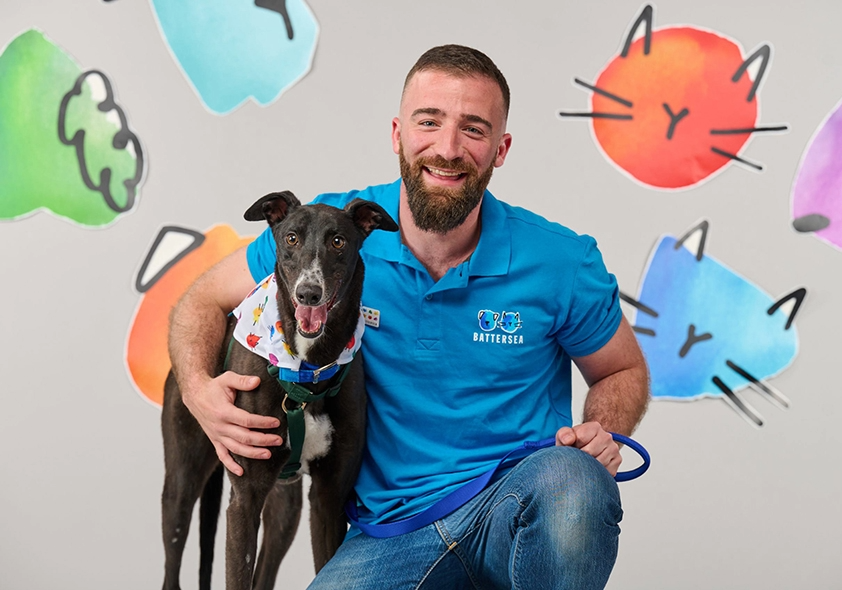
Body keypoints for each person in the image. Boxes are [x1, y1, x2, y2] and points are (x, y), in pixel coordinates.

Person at [169, 44, 649, 589]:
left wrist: (600, 433)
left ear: (501, 147)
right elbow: (201, 301)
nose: (447, 148)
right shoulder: (331, 234)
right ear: (398, 134)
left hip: (514, 507)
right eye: (429, 122)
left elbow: (622, 369)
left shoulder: (562, 259)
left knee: (575, 483)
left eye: (473, 128)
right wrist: (197, 389)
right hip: (389, 535)